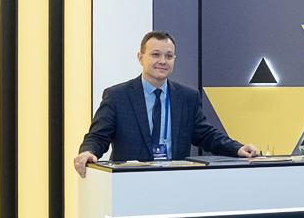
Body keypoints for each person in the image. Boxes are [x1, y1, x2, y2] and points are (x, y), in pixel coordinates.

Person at [73, 31, 258, 177]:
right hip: (130, 183)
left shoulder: (187, 97)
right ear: (140, 57)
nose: (162, 61)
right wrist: (88, 151)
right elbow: (98, 136)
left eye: (169, 56)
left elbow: (206, 134)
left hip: (175, 183)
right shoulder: (117, 96)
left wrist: (237, 148)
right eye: (155, 55)